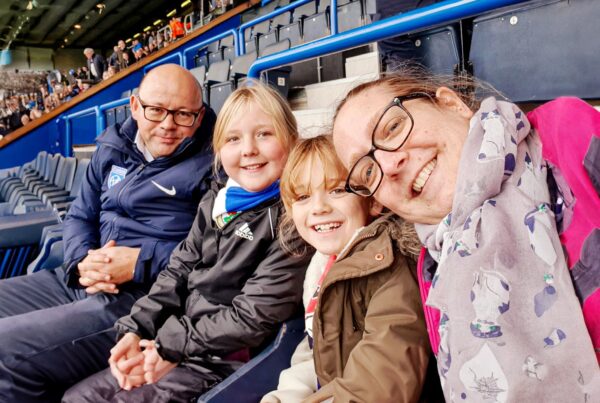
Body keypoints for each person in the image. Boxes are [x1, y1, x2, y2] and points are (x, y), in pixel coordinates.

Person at [331, 68, 600, 401]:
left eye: (393, 127)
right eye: (367, 170)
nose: (388, 164)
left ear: (452, 104)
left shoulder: (567, 133)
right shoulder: (433, 269)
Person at [63, 82, 311, 402]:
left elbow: (251, 317)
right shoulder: (218, 200)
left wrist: (170, 345)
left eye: (264, 134)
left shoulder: (294, 219)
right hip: (187, 345)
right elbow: (178, 269)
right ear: (219, 149)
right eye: (234, 138)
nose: (248, 149)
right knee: (75, 397)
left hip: (229, 365)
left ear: (292, 141)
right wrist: (136, 327)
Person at [0, 64, 216, 402]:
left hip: (140, 300)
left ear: (200, 116)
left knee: (5, 351)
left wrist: (141, 263)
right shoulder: (113, 145)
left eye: (183, 114)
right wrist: (80, 261)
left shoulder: (217, 166)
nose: (167, 125)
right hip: (79, 279)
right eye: (156, 110)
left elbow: (216, 254)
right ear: (134, 106)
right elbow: (79, 214)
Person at [262, 135, 433, 402]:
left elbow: (380, 383)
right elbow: (316, 349)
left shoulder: (389, 268)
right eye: (303, 196)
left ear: (373, 200)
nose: (319, 208)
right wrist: (289, 394)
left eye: (338, 190)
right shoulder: (321, 265)